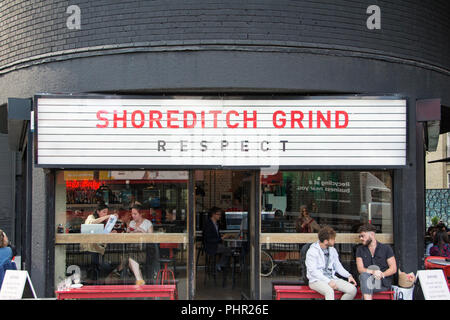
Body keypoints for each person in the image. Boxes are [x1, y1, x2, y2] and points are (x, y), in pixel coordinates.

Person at [305, 226, 357, 300]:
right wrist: (328, 281)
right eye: (333, 239)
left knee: (352, 290)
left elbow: (338, 266)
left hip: (332, 278)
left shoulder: (332, 250)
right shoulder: (312, 251)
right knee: (329, 291)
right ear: (326, 241)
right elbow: (313, 271)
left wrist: (348, 275)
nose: (334, 241)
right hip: (316, 281)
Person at [356, 223, 397, 300]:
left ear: (372, 234)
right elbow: (360, 269)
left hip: (382, 283)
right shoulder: (360, 250)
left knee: (365, 287)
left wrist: (382, 274)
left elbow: (393, 268)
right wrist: (373, 272)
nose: (361, 238)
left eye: (363, 236)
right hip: (367, 281)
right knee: (364, 276)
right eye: (360, 236)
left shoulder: (386, 248)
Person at [81, 203, 118, 282]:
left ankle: (98, 282)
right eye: (104, 212)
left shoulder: (104, 222)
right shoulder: (91, 217)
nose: (105, 214)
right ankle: (94, 283)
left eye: (106, 213)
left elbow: (102, 236)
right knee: (96, 269)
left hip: (98, 250)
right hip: (90, 250)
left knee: (105, 267)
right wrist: (108, 216)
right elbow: (92, 223)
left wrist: (110, 233)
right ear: (98, 211)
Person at [203, 206, 232, 272]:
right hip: (210, 246)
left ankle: (222, 265)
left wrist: (222, 236)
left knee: (227, 248)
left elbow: (215, 235)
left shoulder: (215, 223)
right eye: (218, 214)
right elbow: (208, 239)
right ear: (213, 214)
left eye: (220, 214)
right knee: (228, 250)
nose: (220, 216)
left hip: (215, 244)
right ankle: (220, 265)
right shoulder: (208, 224)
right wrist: (221, 238)